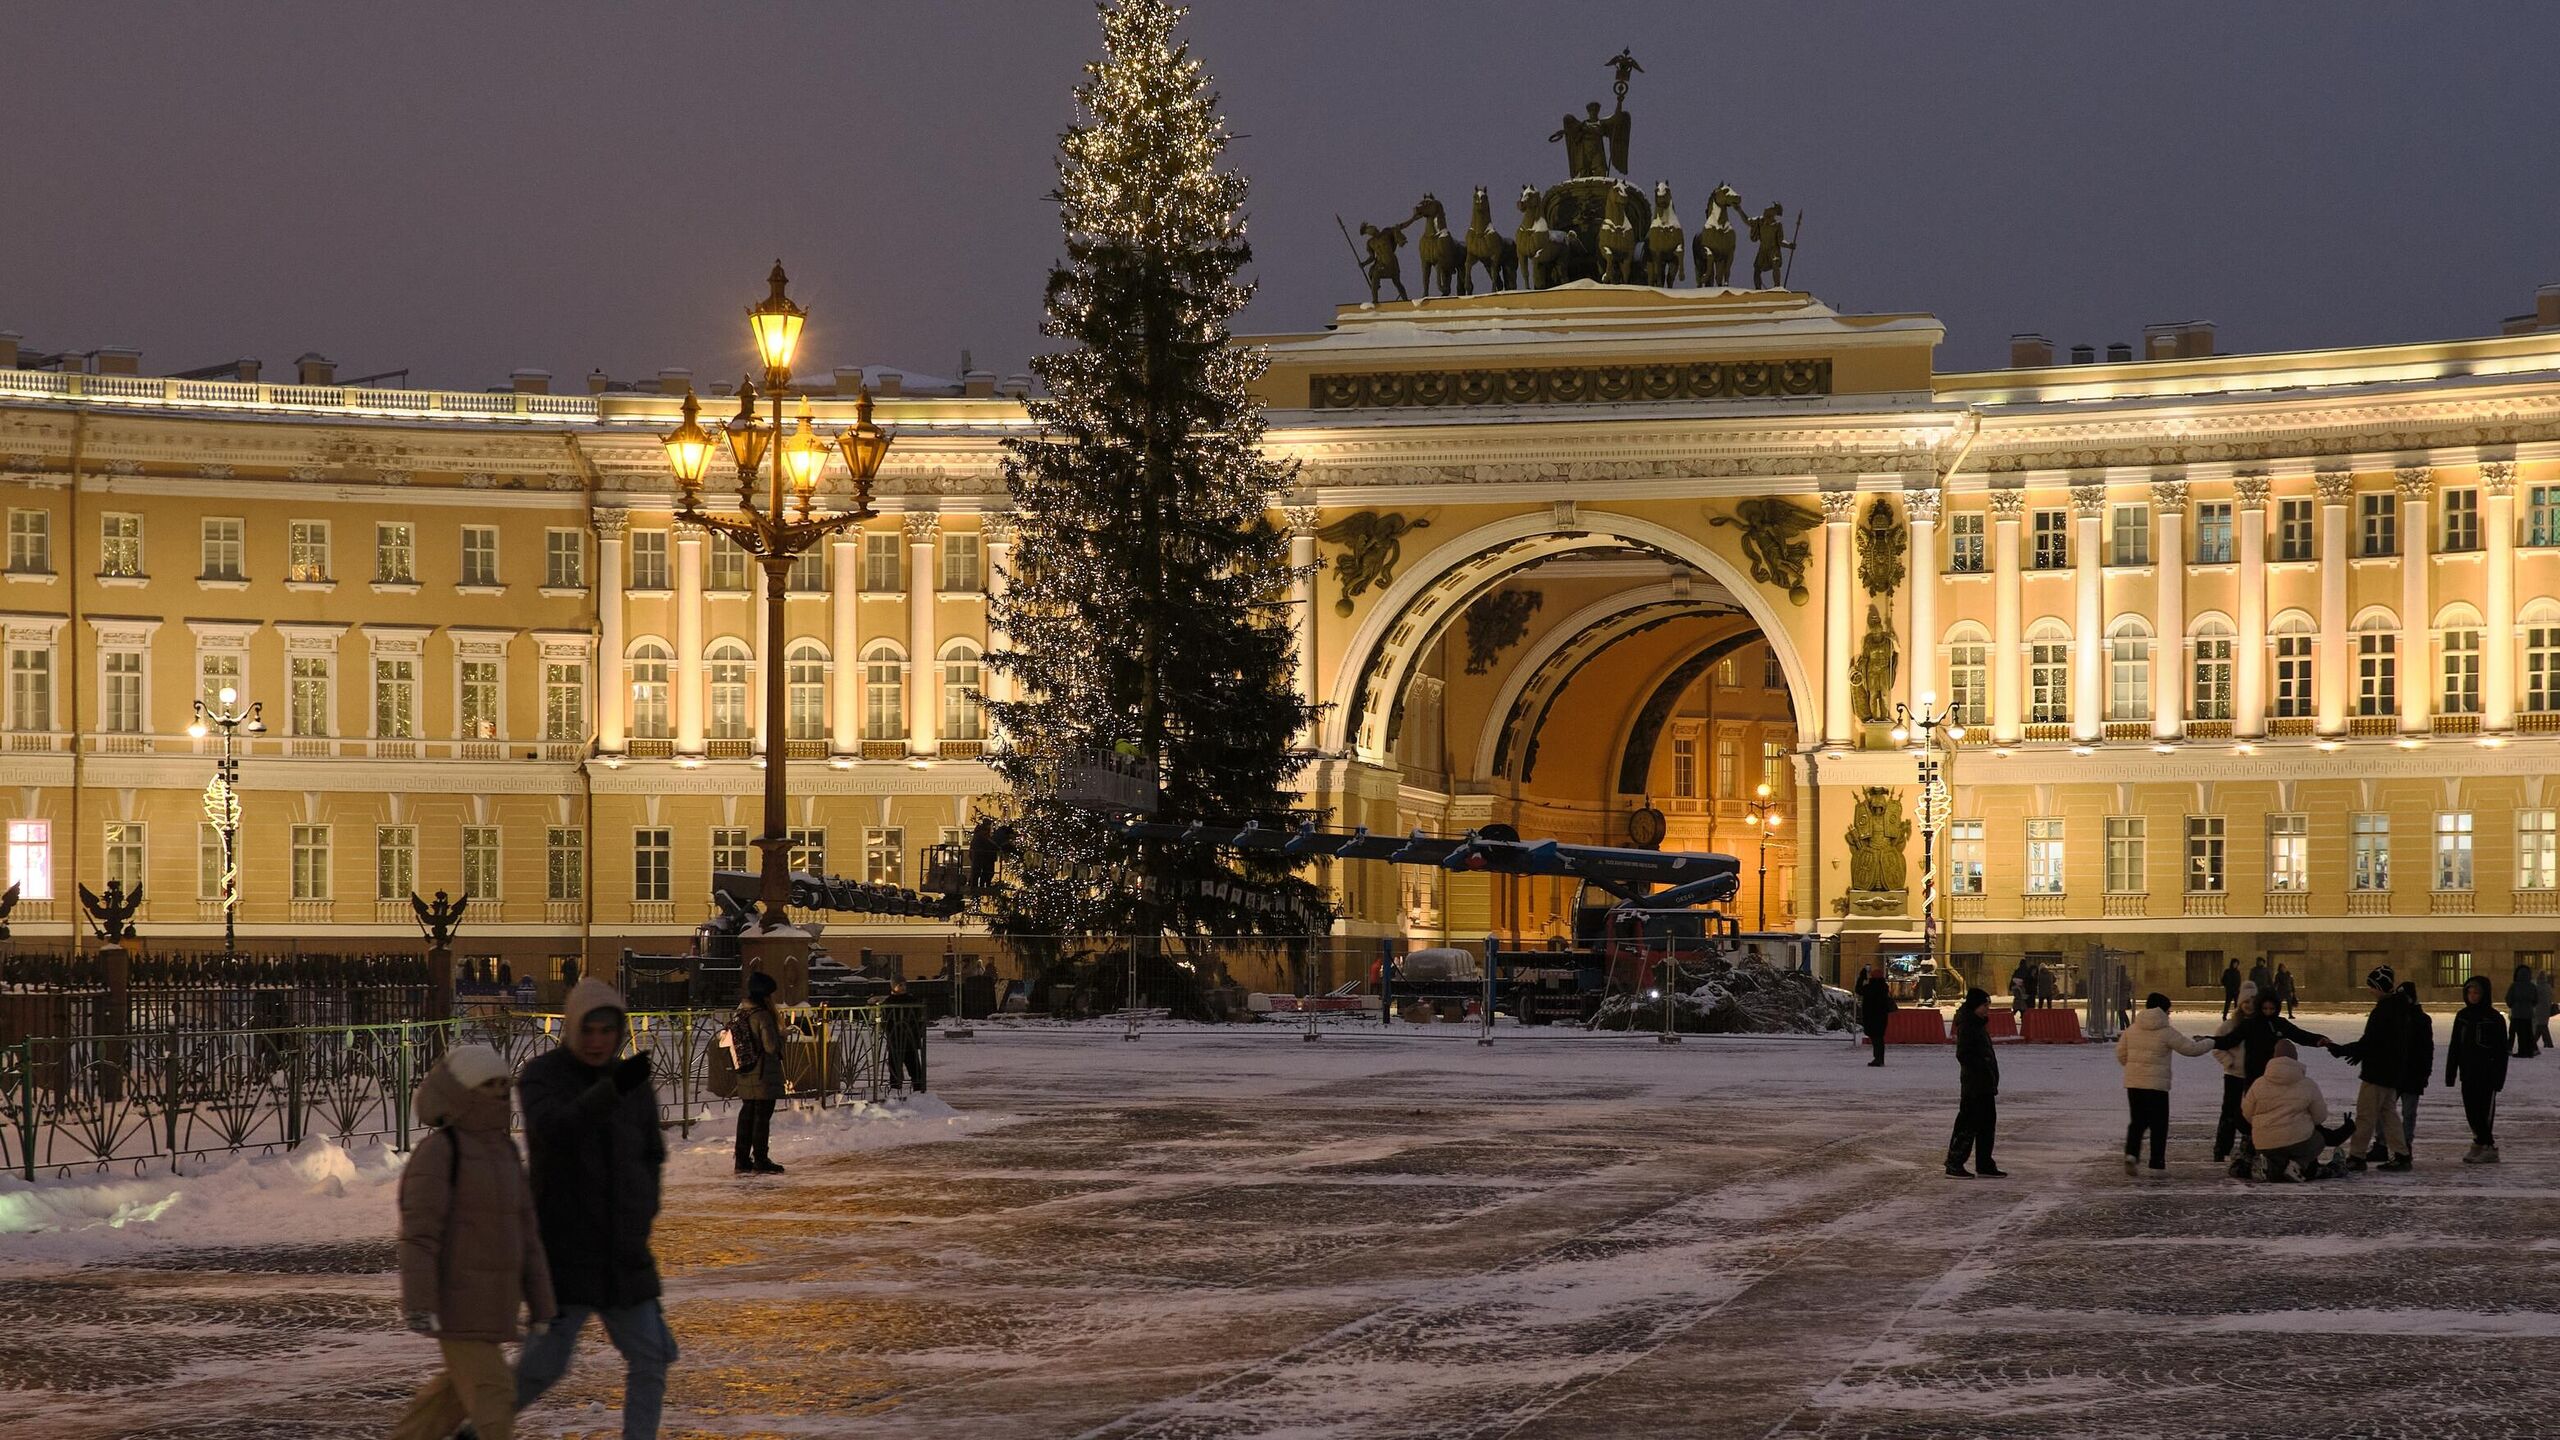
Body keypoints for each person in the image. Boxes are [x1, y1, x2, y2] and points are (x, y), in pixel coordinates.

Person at [514, 978, 677, 1440]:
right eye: (588, 1030)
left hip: (623, 1255)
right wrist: (609, 1091)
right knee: (542, 1368)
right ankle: (481, 1426)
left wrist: (642, 1212)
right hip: (565, 1254)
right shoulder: (543, 1077)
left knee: (652, 1355)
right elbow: (554, 1132)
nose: (597, 1040)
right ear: (571, 1029)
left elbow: (651, 1153)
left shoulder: (632, 1084)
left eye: (607, 1030)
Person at [391, 1045, 555, 1440]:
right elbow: (419, 1237)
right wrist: (419, 1302)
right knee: (494, 1399)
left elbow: (526, 1235)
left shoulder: (504, 1151)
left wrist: (542, 1304)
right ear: (461, 1091)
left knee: (444, 1404)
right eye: (487, 1086)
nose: (498, 1094)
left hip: (493, 1308)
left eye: (503, 1085)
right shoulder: (440, 1153)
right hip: (456, 1309)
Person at [2208, 985, 2330, 1170]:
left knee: (2273, 1111)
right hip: (2254, 1077)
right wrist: (2210, 1041)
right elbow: (2229, 1040)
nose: (2268, 1013)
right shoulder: (2250, 1024)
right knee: (2252, 1113)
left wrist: (2318, 1040)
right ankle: (2250, 1150)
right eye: (2264, 1009)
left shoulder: (2280, 1024)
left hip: (2274, 1075)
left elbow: (2299, 1035)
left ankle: (2266, 1149)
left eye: (2271, 1009)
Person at [2113, 993, 2215, 1174]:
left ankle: (2131, 1154)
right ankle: (2156, 1161)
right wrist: (2211, 1042)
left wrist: (2133, 1069)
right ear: (2162, 1010)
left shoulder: (2132, 1029)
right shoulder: (2166, 1031)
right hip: (2157, 1086)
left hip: (2134, 1084)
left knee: (2137, 1121)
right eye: (2169, 1011)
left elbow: (2121, 1053)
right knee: (2159, 1124)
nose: (2169, 1014)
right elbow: (2190, 1049)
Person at [2328, 966, 2415, 1172]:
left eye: (2372, 986)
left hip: (2377, 1072)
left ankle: (2357, 1156)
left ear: (2380, 987)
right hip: (2391, 1072)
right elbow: (2380, 1042)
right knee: (2389, 1114)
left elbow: (2371, 1042)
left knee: (2366, 1115)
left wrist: (2344, 1050)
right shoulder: (2399, 1008)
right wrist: (2357, 1053)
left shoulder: (2384, 1010)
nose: (2370, 990)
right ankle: (2402, 1154)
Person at [2241, 1040, 2349, 1182]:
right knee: (2317, 1139)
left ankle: (2267, 1166)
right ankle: (2298, 1165)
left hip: (2265, 1144)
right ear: (2295, 1058)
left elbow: (2247, 1114)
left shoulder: (2258, 1084)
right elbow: (2320, 1117)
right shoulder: (2307, 1084)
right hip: (2299, 1143)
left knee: (2275, 1155)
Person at [2446, 975, 2511, 1163]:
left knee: (2484, 1112)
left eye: (2476, 993)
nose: (2473, 996)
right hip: (2468, 1072)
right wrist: (2451, 1072)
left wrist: (2499, 1077)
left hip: (2487, 1074)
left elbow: (2501, 1050)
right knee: (2471, 1110)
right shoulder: (2463, 1016)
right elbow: (2455, 1045)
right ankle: (2479, 1141)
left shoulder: (2494, 1018)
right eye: (2469, 992)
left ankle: (2488, 1145)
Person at [729, 970, 787, 1175]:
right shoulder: (763, 1016)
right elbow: (771, 1046)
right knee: (762, 1117)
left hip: (746, 1071)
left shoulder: (742, 1013)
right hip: (763, 1073)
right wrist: (783, 1037)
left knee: (747, 1115)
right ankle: (761, 1159)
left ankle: (742, 1159)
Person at [1945, 988, 2005, 1178]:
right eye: (1984, 1005)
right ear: (1975, 1006)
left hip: (1985, 1084)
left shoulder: (1978, 1024)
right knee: (1968, 1124)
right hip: (1974, 1085)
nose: (1987, 1009)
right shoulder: (1969, 1025)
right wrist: (1981, 1068)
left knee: (1987, 1124)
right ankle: (1955, 1163)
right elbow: (1963, 1054)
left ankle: (1984, 1163)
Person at [2375, 980, 2433, 1161]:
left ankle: (2404, 1145)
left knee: (2407, 1113)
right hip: (2396, 1072)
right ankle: (2382, 1144)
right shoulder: (2396, 1018)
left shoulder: (2421, 1020)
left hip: (2413, 1073)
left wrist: (2424, 1073)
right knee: (2384, 1109)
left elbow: (2426, 1050)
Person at [886, 977, 928, 1095]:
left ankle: (918, 1087)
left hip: (909, 1037)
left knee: (912, 1062)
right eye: (899, 985)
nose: (902, 987)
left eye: (903, 985)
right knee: (894, 1063)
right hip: (895, 1037)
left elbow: (918, 1017)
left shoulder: (911, 1000)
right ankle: (895, 1087)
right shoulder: (890, 1001)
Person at [1856, 965, 1895, 1067]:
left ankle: (1877, 1058)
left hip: (1871, 1016)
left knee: (1875, 1038)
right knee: (1879, 1038)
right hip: (1882, 1016)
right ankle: (1879, 1058)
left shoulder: (1870, 988)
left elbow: (1858, 990)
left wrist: (1861, 977)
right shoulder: (1884, 988)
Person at [2508, 962, 2540, 1059]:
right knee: (2528, 1032)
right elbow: (2536, 999)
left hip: (2517, 1013)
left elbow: (2509, 998)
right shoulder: (2532, 986)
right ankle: (2530, 1051)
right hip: (2528, 1013)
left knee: (2519, 1033)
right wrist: (2530, 1006)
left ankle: (2522, 1052)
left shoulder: (2514, 985)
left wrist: (2512, 1005)